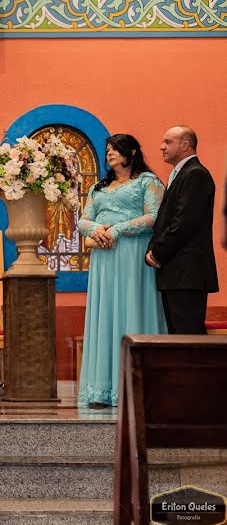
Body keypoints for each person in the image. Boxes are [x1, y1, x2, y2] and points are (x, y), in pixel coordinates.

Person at [76, 134, 166, 407]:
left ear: (133, 151)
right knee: (107, 313)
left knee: (132, 308)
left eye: (115, 149)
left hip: (133, 254)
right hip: (105, 257)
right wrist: (97, 229)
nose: (110, 153)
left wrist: (117, 229)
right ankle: (102, 389)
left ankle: (138, 383)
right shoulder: (98, 188)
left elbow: (153, 217)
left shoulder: (147, 182)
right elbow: (82, 220)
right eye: (107, 150)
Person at [146, 125, 218, 334]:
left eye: (168, 142)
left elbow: (184, 222)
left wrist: (157, 251)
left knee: (188, 339)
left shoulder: (196, 174)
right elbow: (166, 220)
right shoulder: (180, 174)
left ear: (186, 146)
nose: (162, 147)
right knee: (177, 339)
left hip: (187, 273)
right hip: (176, 273)